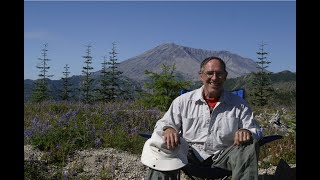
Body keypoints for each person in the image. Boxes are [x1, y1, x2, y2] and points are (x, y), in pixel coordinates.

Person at [143, 56, 264, 180]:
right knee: (165, 143)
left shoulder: (239, 104)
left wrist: (247, 132)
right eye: (210, 73)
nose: (215, 78)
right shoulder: (183, 101)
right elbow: (163, 124)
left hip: (224, 157)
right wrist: (168, 129)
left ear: (226, 76)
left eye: (219, 74)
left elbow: (256, 130)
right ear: (201, 76)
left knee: (249, 144)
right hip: (188, 157)